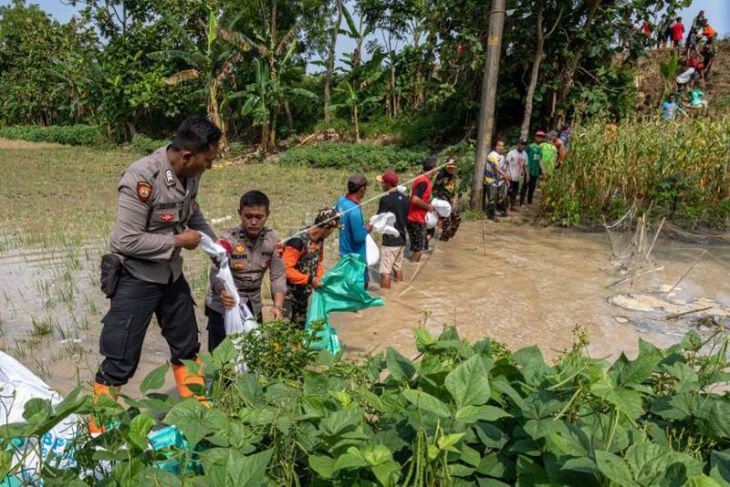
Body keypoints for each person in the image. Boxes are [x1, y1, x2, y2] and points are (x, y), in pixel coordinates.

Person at [93, 115, 221, 428]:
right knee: (120, 358)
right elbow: (125, 240)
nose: (209, 167)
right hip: (135, 277)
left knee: (187, 346)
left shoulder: (191, 175)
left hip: (170, 274)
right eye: (207, 161)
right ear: (188, 156)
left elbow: (192, 211)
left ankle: (197, 415)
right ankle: (98, 429)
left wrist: (215, 246)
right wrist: (178, 240)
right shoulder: (142, 178)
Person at [205, 190, 286, 351]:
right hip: (224, 304)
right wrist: (222, 293)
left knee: (253, 355)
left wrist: (278, 306)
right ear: (239, 214)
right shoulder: (229, 239)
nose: (253, 222)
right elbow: (216, 272)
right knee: (222, 359)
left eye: (259, 217)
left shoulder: (273, 240)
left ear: (267, 215)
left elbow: (277, 276)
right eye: (248, 216)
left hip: (252, 305)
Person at [282, 207, 339, 327]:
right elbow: (286, 270)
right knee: (284, 327)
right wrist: (309, 279)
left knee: (300, 327)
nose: (332, 233)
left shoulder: (320, 240)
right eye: (333, 229)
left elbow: (317, 262)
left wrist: (321, 279)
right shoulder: (298, 241)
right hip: (287, 293)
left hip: (303, 292)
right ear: (326, 227)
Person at [335, 173, 372, 284]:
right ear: (362, 189)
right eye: (366, 188)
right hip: (356, 257)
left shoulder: (341, 201)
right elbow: (358, 237)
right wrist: (368, 228)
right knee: (361, 286)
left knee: (347, 286)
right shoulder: (355, 210)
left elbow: (336, 219)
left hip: (344, 253)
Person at [376, 169, 408, 289]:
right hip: (402, 239)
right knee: (398, 268)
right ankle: (399, 289)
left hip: (390, 241)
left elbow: (379, 219)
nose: (382, 185)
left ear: (388, 184)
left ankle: (387, 299)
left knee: (385, 272)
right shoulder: (405, 198)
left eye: (383, 183)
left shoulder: (385, 200)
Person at [407, 157, 437, 262]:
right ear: (433, 168)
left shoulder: (421, 178)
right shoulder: (424, 181)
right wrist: (428, 207)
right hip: (416, 219)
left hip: (413, 218)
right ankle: (413, 274)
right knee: (418, 250)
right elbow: (415, 199)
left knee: (417, 247)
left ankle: (411, 265)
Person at [430, 157, 461, 241]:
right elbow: (434, 188)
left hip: (449, 198)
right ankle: (444, 237)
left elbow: (453, 191)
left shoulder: (454, 176)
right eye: (449, 167)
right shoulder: (441, 174)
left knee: (457, 216)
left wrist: (454, 200)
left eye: (453, 167)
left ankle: (449, 235)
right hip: (440, 198)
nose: (451, 169)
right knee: (447, 218)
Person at [482, 139, 510, 221]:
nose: (501, 147)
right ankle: (491, 215)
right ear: (496, 146)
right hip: (490, 180)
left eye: (502, 146)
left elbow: (502, 168)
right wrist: (505, 175)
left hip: (500, 180)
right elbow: (496, 167)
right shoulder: (492, 155)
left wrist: (505, 179)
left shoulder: (502, 156)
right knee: (492, 198)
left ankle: (502, 211)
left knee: (501, 196)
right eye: (499, 145)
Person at [521, 131, 544, 206]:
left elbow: (540, 160)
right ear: (535, 137)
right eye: (538, 136)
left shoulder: (540, 149)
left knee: (532, 187)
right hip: (528, 170)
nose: (540, 138)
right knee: (525, 186)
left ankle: (529, 201)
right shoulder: (529, 147)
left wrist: (542, 170)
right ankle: (522, 202)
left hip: (535, 171)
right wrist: (523, 169)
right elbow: (524, 157)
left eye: (541, 137)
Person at [506, 140, 527, 211]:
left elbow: (525, 165)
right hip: (510, 175)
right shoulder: (512, 153)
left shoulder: (525, 154)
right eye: (521, 144)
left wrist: (527, 175)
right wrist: (506, 174)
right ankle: (507, 207)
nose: (522, 146)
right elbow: (506, 163)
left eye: (524, 145)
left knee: (515, 192)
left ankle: (512, 206)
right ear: (518, 144)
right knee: (509, 192)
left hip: (518, 177)